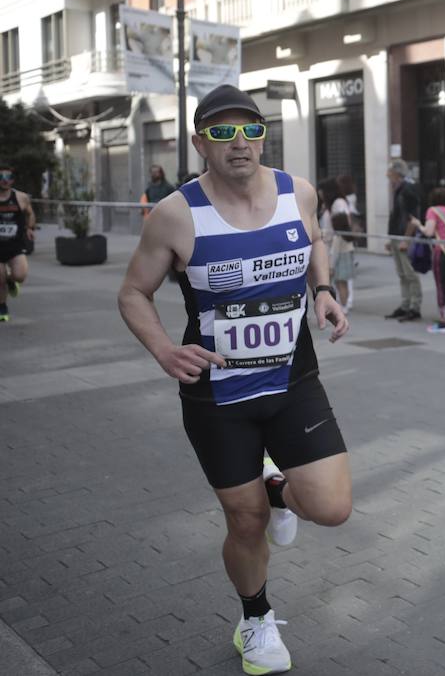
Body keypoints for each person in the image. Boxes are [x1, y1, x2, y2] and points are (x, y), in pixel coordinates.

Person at [116, 85, 352, 675]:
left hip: (293, 380)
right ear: (200, 143)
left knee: (333, 508)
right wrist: (165, 349)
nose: (238, 142)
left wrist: (321, 290)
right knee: (244, 521)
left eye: (248, 128)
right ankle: (256, 619)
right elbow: (133, 293)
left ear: (263, 134)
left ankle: (279, 491)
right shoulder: (174, 213)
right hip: (217, 395)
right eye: (221, 132)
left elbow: (316, 238)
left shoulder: (297, 191)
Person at [409, 186, 445, 335]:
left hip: (441, 253)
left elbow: (428, 231)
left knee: (441, 286)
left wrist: (418, 225)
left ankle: (444, 321)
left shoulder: (432, 211)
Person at [385, 159, 422, 321]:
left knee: (410, 273)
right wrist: (391, 238)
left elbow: (412, 217)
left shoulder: (408, 189)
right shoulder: (399, 189)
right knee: (402, 273)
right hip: (397, 235)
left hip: (404, 237)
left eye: (390, 172)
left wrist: (406, 239)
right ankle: (405, 304)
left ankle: (415, 306)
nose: (388, 176)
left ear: (397, 174)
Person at [0, 164, 36, 322]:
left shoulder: (21, 198)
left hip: (15, 245)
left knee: (20, 275)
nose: (4, 181)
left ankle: (11, 280)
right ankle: (2, 306)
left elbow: (30, 213)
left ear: (13, 180)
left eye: (8, 177)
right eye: (1, 177)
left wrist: (30, 228)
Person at [318, 178, 355, 314]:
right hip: (331, 245)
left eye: (321, 191)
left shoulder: (338, 204)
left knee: (340, 279)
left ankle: (343, 306)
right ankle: (338, 304)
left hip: (338, 246)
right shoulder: (329, 205)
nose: (319, 194)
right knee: (334, 279)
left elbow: (341, 227)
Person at [336, 175, 360, 310]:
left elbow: (347, 218)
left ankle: (346, 302)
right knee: (346, 274)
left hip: (344, 240)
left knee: (344, 275)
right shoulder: (349, 198)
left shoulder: (345, 200)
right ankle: (346, 300)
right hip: (348, 239)